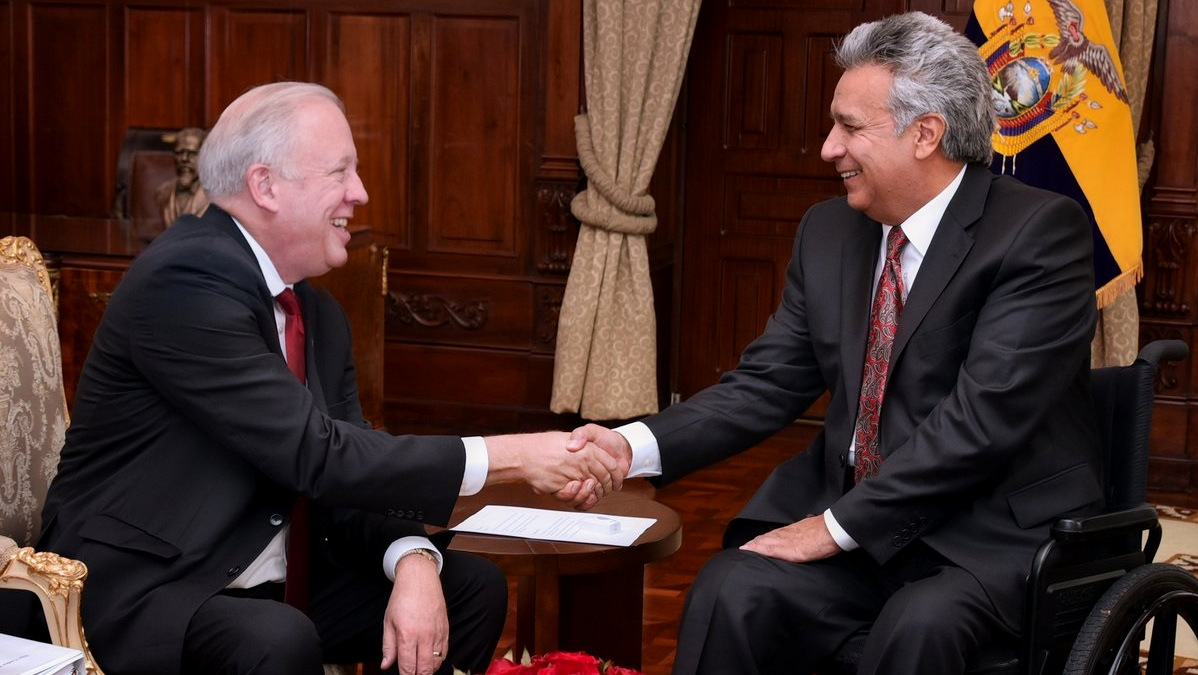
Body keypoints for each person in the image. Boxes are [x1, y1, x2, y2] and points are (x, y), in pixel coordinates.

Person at [570, 11, 1102, 675]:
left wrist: (832, 526)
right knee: (732, 588)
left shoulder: (1036, 234)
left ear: (925, 134)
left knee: (919, 626)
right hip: (861, 528)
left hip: (987, 535)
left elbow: (983, 422)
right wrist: (630, 446)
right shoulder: (829, 232)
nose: (827, 148)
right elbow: (765, 383)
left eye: (849, 127)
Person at [37, 81, 622, 675]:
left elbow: (351, 473)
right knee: (277, 637)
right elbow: (317, 453)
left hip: (263, 573)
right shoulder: (186, 280)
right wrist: (516, 457)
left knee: (470, 589)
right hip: (152, 581)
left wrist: (414, 558)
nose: (360, 193)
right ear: (265, 185)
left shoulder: (317, 313)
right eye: (340, 172)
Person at [155, 126, 210, 226]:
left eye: (192, 153)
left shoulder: (214, 196)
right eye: (179, 153)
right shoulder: (163, 193)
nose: (184, 159)